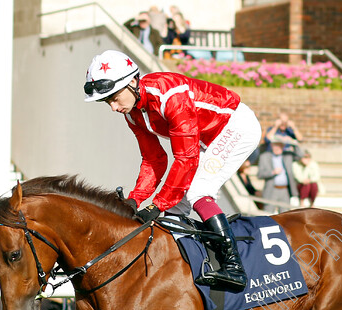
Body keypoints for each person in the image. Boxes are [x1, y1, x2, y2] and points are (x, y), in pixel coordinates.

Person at [83, 50, 262, 291]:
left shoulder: (170, 95)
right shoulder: (133, 113)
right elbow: (154, 159)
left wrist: (156, 205)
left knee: (198, 191)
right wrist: (134, 201)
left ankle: (234, 266)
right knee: (174, 211)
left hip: (236, 127)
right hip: (206, 138)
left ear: (133, 82)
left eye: (114, 98)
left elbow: (186, 158)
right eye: (107, 102)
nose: (113, 107)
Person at [257, 136, 298, 213]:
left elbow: (300, 155)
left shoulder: (287, 156)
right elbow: (259, 175)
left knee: (285, 216)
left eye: (279, 145)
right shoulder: (264, 157)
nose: (277, 148)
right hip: (271, 189)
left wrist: (292, 142)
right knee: (268, 214)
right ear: (272, 146)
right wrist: (272, 172)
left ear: (283, 146)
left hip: (285, 190)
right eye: (275, 145)